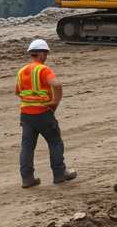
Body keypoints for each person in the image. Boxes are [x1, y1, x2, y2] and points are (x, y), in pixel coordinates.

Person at [16, 39, 76, 187]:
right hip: (42, 113)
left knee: (27, 147)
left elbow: (18, 92)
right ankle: (59, 174)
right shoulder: (44, 69)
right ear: (42, 53)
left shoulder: (21, 71)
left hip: (26, 114)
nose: (46, 56)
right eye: (46, 53)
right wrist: (55, 101)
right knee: (55, 142)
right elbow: (57, 84)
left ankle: (27, 179)